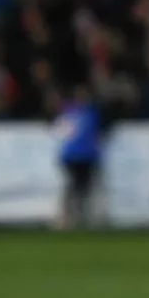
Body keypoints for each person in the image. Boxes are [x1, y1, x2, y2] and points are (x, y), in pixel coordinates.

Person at [54, 84, 104, 229]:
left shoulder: (93, 113)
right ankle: (66, 217)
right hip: (73, 156)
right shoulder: (69, 111)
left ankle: (81, 216)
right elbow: (62, 132)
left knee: (83, 188)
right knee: (72, 187)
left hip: (87, 156)